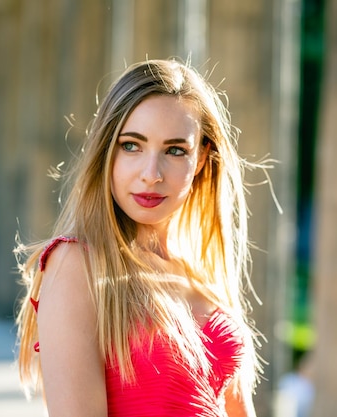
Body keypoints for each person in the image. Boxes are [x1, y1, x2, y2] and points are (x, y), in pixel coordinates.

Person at [16, 58, 261, 417]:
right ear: (106, 151)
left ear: (202, 158)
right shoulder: (78, 266)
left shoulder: (201, 273)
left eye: (175, 151)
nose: (151, 174)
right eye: (132, 145)